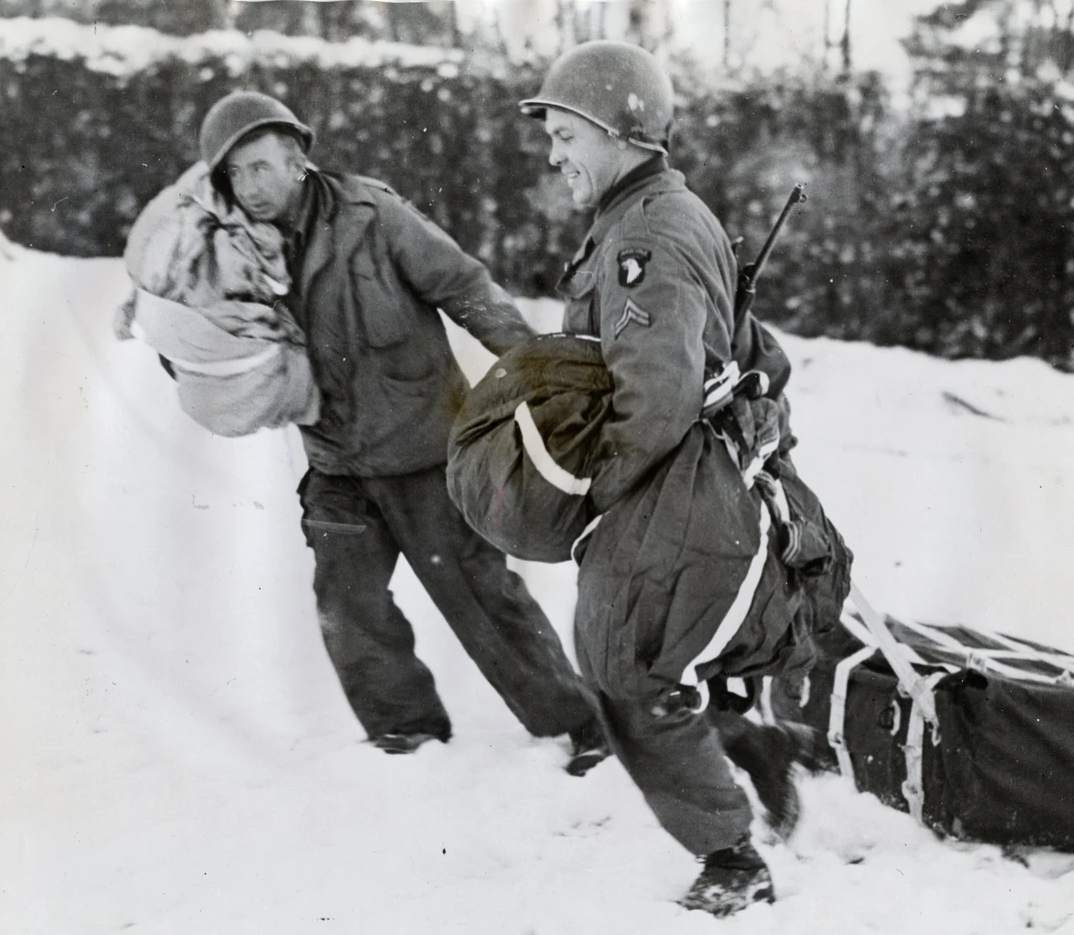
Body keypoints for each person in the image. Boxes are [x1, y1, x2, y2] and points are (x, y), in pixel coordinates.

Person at [517, 42, 852, 916]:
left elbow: (655, 396)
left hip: (674, 477)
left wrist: (595, 492)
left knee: (625, 665)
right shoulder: (658, 211)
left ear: (614, 128)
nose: (552, 155)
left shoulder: (645, 232)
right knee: (646, 657)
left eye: (562, 134)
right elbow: (749, 349)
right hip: (693, 471)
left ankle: (733, 856)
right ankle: (752, 747)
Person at [189, 90, 607, 775]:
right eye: (237, 174)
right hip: (335, 462)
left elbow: (463, 286)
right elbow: (207, 334)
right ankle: (403, 730)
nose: (252, 186)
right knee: (345, 601)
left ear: (298, 160)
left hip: (427, 449)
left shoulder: (373, 215)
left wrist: (542, 375)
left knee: (480, 596)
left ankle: (580, 726)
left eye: (262, 166)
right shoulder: (237, 252)